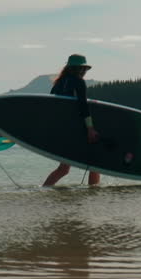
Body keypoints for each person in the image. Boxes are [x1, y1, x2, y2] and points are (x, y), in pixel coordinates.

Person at [43, 54, 101, 187]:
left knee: (64, 169)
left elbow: (53, 104)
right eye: (83, 69)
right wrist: (90, 129)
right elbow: (83, 106)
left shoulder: (58, 83)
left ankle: (44, 189)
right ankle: (94, 194)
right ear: (78, 69)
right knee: (95, 164)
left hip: (62, 130)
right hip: (76, 129)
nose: (84, 72)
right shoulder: (78, 82)